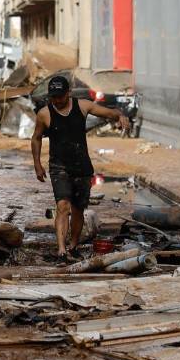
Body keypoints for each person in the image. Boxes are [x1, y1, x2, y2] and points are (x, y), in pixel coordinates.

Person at [31, 75, 131, 261]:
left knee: (78, 210)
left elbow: (108, 112)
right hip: (58, 166)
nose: (57, 100)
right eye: (53, 97)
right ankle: (61, 249)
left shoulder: (83, 106)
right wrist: (37, 164)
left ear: (68, 93)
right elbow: (36, 138)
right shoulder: (44, 114)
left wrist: (121, 115)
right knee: (62, 206)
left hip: (82, 167)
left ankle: (73, 246)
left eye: (60, 96)